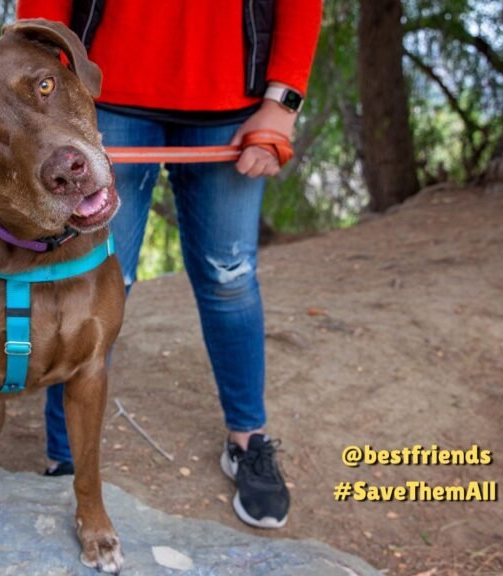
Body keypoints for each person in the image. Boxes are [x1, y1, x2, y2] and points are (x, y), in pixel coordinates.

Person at [16, 0, 322, 529]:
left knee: (230, 281)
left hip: (236, 104)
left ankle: (247, 440)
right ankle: (64, 459)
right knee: (91, 280)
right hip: (102, 97)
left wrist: (283, 102)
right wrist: (50, 96)